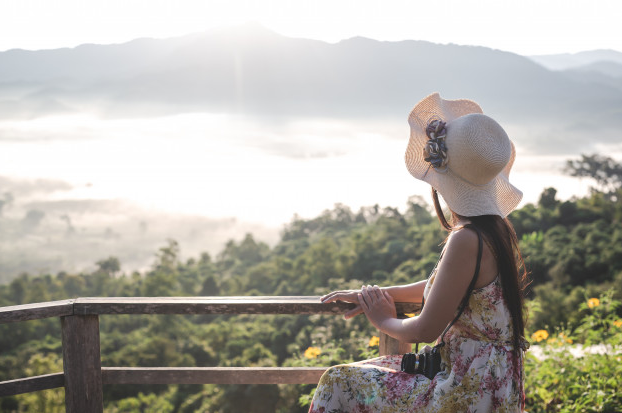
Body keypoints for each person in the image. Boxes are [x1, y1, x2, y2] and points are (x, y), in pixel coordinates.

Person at [309, 93, 530, 413]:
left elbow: (425, 329)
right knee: (364, 372)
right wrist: (378, 294)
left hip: (465, 388)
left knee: (338, 381)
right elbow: (445, 287)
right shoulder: (496, 231)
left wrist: (382, 318)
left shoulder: (467, 239)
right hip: (492, 384)